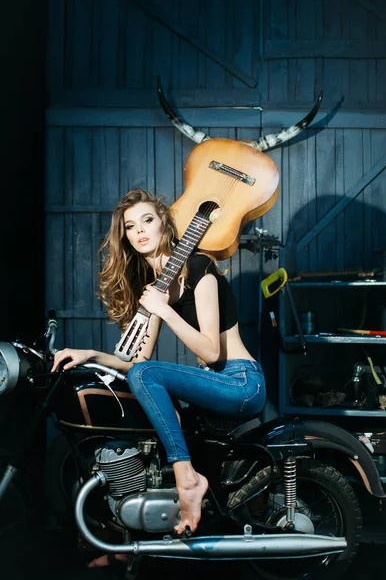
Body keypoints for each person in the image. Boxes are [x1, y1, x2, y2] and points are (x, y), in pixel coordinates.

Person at [51, 188, 266, 567]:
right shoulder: (156, 289)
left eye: (147, 220)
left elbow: (211, 352)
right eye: (130, 227)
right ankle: (128, 548)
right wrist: (89, 354)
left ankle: (188, 479)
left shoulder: (199, 267)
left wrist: (163, 312)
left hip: (240, 381)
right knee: (144, 416)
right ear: (126, 239)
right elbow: (138, 363)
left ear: (164, 222)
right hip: (209, 388)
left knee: (150, 379)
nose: (140, 231)